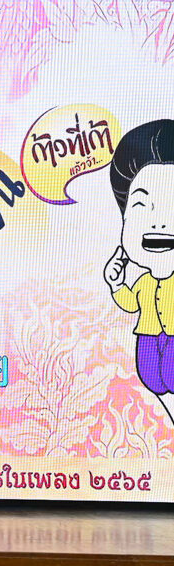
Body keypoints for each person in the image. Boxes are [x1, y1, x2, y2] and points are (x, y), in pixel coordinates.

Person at [103, 119, 174, 420]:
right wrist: (116, 284)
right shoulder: (144, 281)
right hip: (147, 335)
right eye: (141, 206)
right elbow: (132, 303)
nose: (159, 222)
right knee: (152, 377)